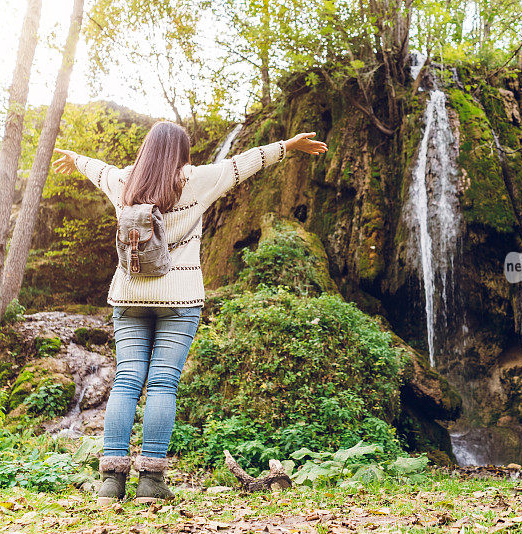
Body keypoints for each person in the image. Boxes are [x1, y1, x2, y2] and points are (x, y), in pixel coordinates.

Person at [52, 122, 328, 505]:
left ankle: (111, 484)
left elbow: (97, 169)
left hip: (129, 296)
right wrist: (288, 145)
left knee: (128, 380)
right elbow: (244, 164)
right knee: (163, 382)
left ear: (147, 149)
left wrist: (75, 158)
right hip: (179, 297)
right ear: (182, 152)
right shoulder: (196, 180)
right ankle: (150, 480)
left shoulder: (125, 183)